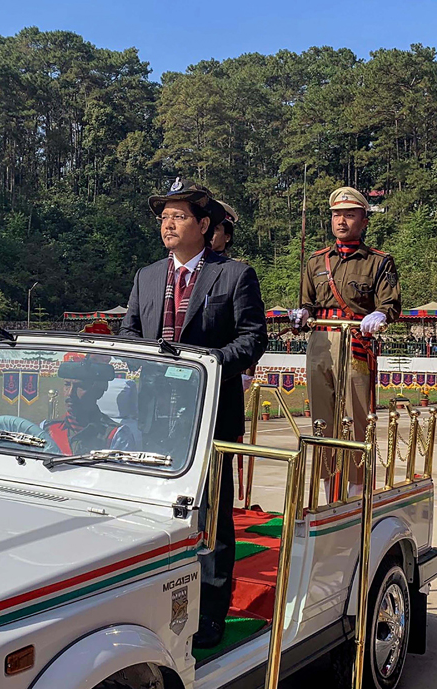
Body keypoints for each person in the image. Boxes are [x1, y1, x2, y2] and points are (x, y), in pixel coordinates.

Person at [121, 177, 267, 649]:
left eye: (178, 216)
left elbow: (252, 339)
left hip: (210, 414)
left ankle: (209, 612)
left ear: (204, 225)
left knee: (211, 515)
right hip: (152, 416)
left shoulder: (234, 274)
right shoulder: (146, 276)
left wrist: (204, 365)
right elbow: (129, 332)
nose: (168, 224)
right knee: (151, 510)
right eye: (164, 217)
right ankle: (151, 600)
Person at [290, 186, 401, 496]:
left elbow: (391, 304)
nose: (341, 221)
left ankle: (356, 488)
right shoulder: (316, 261)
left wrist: (379, 314)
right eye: (336, 215)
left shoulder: (378, 261)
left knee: (357, 417)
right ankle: (327, 487)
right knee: (321, 418)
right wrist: (302, 314)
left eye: (349, 215)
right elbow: (307, 303)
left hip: (354, 341)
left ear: (364, 221)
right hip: (320, 343)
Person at [43, 355, 136, 454]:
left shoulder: (115, 435)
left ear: (98, 391)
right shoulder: (48, 428)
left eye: (81, 386)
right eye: (67, 385)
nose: (70, 393)